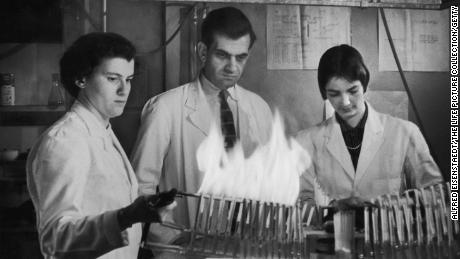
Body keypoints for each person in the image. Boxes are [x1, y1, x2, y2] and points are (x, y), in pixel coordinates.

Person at [26, 32, 176, 259]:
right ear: (81, 79)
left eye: (129, 79)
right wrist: (126, 216)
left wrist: (140, 212)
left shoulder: (101, 130)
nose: (124, 90)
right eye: (112, 78)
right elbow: (55, 240)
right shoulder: (65, 141)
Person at [131, 7, 272, 243]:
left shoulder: (259, 108)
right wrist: (170, 239)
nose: (232, 67)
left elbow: (268, 183)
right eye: (223, 55)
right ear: (203, 51)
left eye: (241, 57)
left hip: (245, 247)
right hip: (183, 249)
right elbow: (139, 189)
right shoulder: (165, 109)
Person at [296, 44, 443, 206]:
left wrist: (391, 203)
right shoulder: (306, 140)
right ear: (324, 93)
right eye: (334, 94)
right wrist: (330, 209)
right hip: (332, 231)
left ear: (364, 85)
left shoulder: (405, 132)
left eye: (352, 91)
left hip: (389, 230)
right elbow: (301, 200)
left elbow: (438, 193)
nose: (345, 102)